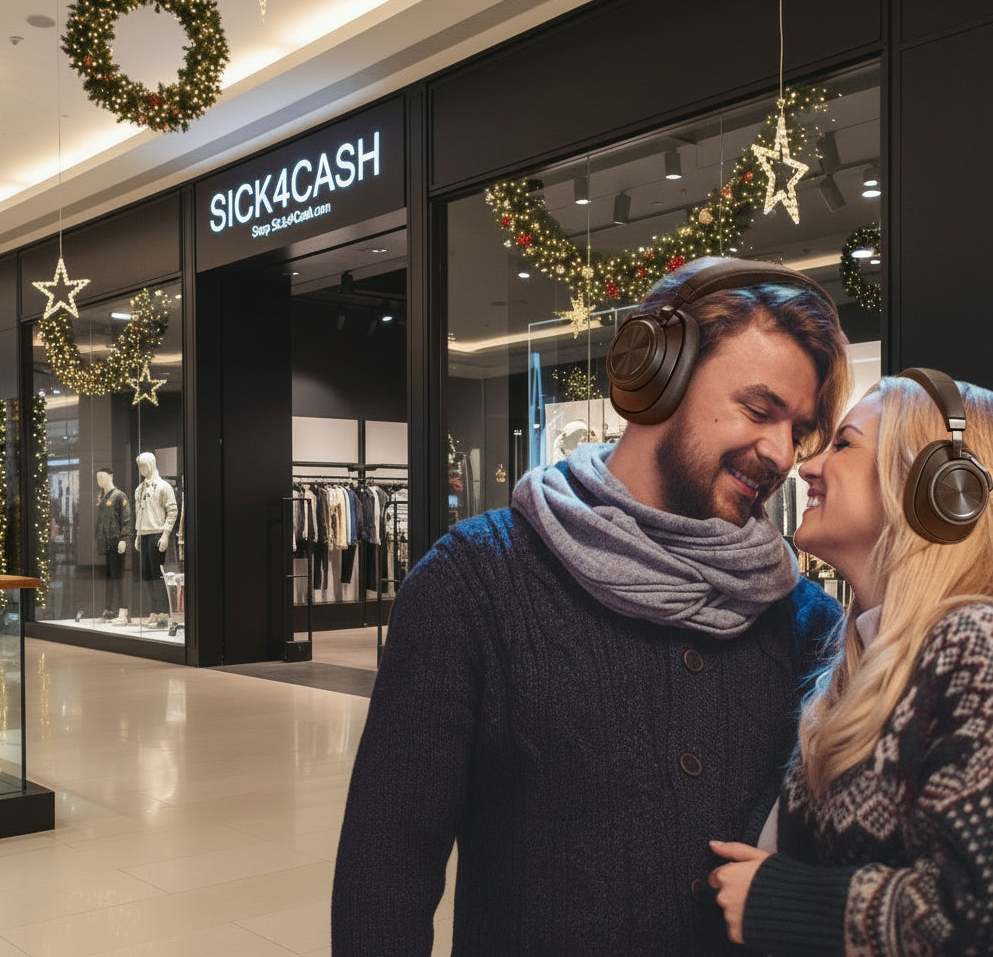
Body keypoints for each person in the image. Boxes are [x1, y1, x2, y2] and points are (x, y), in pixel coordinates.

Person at [332, 256, 851, 956]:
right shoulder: (475, 584)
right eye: (760, 410)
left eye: (800, 428)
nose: (781, 452)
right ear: (656, 378)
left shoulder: (807, 623)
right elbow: (387, 868)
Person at [709, 369, 993, 956]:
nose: (805, 466)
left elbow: (976, 915)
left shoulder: (973, 644)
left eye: (844, 444)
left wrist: (779, 900)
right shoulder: (860, 659)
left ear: (935, 485)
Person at [129, 451, 178, 628]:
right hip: (143, 534)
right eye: (140, 466)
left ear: (151, 464)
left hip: (157, 534)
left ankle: (164, 612)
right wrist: (137, 534)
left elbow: (172, 511)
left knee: (158, 576)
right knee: (148, 576)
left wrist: (165, 534)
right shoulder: (139, 489)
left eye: (144, 465)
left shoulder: (163, 486)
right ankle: (155, 610)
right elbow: (138, 513)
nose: (142, 469)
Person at [95, 467, 131, 621]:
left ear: (110, 476)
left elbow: (126, 519)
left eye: (102, 477)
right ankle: (109, 609)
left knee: (118, 576)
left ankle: (123, 610)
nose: (99, 480)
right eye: (97, 478)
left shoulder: (119, 496)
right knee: (109, 577)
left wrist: (124, 539)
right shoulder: (103, 497)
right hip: (106, 542)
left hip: (116, 542)